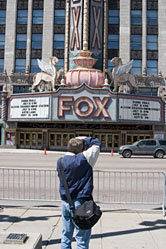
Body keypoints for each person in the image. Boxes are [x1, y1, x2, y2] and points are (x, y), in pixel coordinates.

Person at [57, 136, 101, 249]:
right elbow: (96, 144)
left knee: (66, 234)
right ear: (81, 149)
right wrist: (85, 138)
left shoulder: (60, 161)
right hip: (81, 203)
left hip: (66, 202)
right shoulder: (84, 158)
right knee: (82, 238)